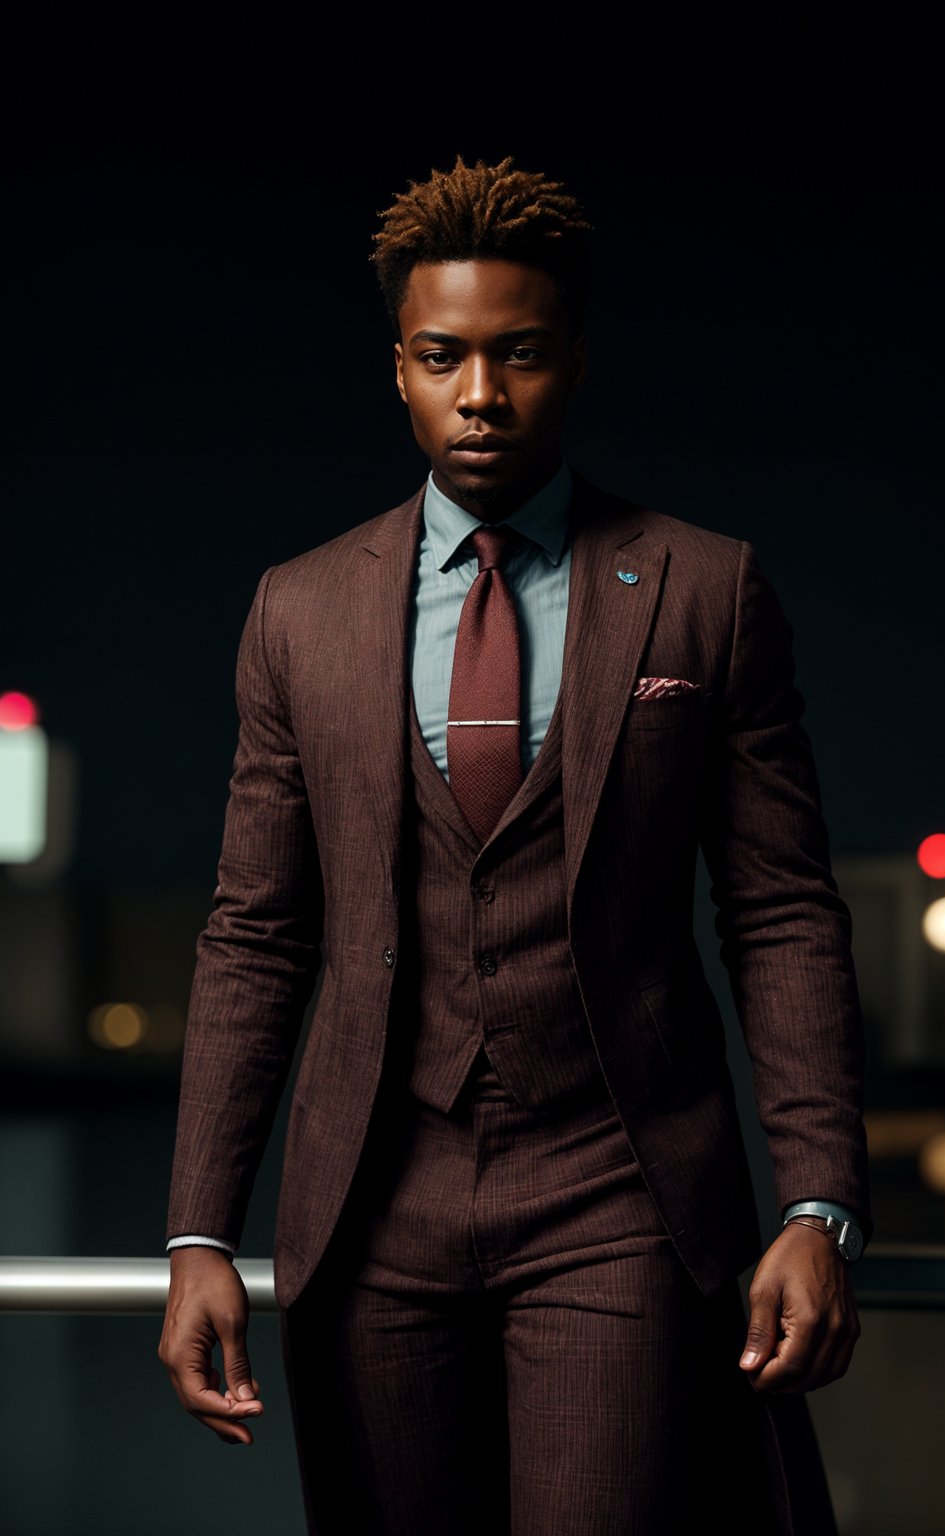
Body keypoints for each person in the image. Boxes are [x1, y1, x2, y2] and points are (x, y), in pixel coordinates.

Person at [159, 156, 871, 1535]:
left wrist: (822, 1202)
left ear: (576, 360)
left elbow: (782, 913)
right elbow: (257, 929)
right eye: (445, 357)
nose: (481, 394)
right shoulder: (298, 611)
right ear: (402, 372)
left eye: (519, 354)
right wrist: (199, 1232)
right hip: (371, 1206)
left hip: (617, 1189)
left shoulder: (702, 590)